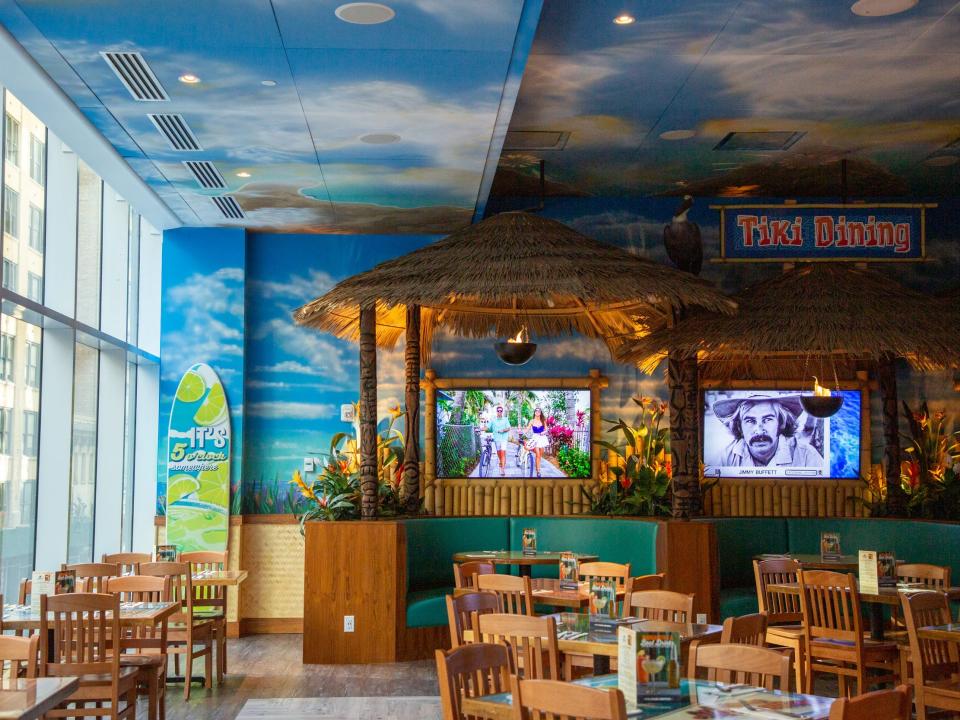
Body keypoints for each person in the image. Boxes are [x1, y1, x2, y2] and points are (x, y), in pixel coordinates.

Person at [712, 394, 824, 469]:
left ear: (781, 423)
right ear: (740, 427)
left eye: (767, 419)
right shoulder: (725, 458)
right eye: (750, 421)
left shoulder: (807, 456)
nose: (759, 430)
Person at [524, 407, 550, 477]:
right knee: (538, 454)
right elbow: (527, 429)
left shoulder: (543, 420)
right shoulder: (532, 421)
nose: (537, 412)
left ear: (540, 413)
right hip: (535, 438)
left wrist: (543, 432)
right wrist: (522, 433)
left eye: (539, 411)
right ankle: (538, 471)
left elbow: (546, 430)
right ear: (534, 412)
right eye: (536, 411)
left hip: (542, 438)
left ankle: (537, 466)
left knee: (539, 455)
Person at [487, 405, 512, 476]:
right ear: (496, 412)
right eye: (498, 411)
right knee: (499, 452)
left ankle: (502, 469)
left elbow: (509, 428)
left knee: (503, 452)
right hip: (497, 439)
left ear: (502, 412)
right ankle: (501, 461)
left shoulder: (505, 419)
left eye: (501, 411)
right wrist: (481, 429)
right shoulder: (493, 420)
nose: (499, 412)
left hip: (504, 438)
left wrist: (503, 430)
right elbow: (488, 427)